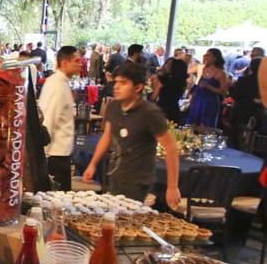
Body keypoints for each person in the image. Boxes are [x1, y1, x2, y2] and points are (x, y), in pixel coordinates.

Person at [83, 62, 181, 207]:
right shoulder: (113, 106)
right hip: (115, 174)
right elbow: (107, 136)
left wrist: (172, 187)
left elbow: (170, 147)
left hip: (138, 180)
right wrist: (92, 164)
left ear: (138, 87)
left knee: (125, 221)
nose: (116, 87)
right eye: (116, 82)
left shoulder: (150, 112)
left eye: (123, 83)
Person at [39, 46, 83, 190]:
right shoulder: (56, 85)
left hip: (61, 154)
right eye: (76, 61)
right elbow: (48, 120)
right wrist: (43, 156)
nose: (80, 64)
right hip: (55, 156)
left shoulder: (62, 83)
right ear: (64, 63)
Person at [186, 47, 230, 129]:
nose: (205, 57)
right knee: (192, 124)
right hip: (198, 100)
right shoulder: (204, 69)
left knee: (206, 126)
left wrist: (208, 86)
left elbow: (223, 92)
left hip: (210, 102)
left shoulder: (221, 73)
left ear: (215, 58)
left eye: (208, 55)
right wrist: (192, 98)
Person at [228, 57, 262, 148]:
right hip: (257, 112)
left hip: (241, 110)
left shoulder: (243, 80)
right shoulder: (263, 82)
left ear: (250, 67)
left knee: (236, 136)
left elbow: (235, 95)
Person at [153, 56, 188, 125]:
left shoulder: (164, 79)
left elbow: (154, 96)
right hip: (174, 109)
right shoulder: (183, 81)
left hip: (162, 108)